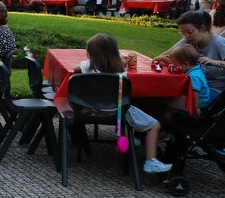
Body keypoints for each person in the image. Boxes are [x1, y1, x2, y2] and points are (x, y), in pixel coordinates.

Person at [73, 34, 172, 174]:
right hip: (118, 113)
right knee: (154, 125)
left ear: (90, 53)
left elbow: (75, 68)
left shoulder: (87, 66)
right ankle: (150, 161)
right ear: (115, 52)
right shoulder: (121, 71)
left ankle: (129, 141)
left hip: (89, 110)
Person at [154, 10, 225, 101]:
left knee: (166, 98)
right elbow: (167, 54)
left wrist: (215, 62)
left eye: (189, 32)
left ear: (202, 28)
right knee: (159, 92)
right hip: (192, 84)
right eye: (182, 33)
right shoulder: (189, 39)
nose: (186, 36)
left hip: (212, 89)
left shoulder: (219, 42)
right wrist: (161, 58)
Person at [170, 43, 213, 111]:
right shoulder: (196, 69)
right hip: (196, 100)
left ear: (185, 64)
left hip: (199, 104)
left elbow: (195, 92)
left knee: (168, 100)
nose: (174, 67)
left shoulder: (193, 76)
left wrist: (195, 108)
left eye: (176, 65)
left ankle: (168, 118)